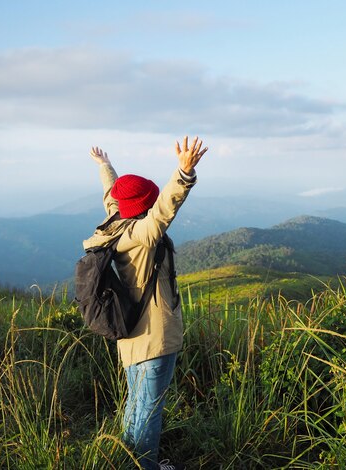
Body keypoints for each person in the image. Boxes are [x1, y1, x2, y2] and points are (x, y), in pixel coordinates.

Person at [84, 136, 208, 470]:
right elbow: (163, 213)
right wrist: (183, 175)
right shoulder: (142, 235)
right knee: (149, 412)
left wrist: (106, 167)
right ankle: (145, 467)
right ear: (145, 208)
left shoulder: (119, 225)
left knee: (136, 407)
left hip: (132, 338)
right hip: (156, 335)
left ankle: (129, 462)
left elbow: (115, 199)